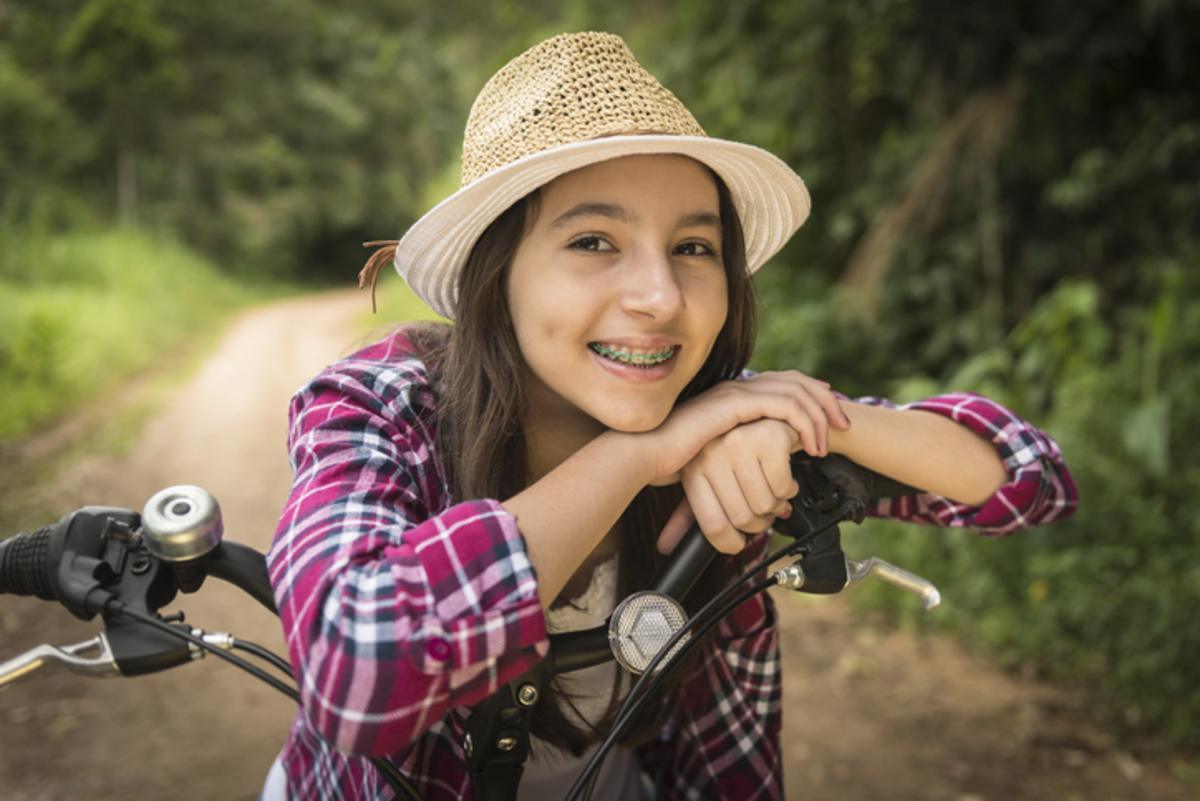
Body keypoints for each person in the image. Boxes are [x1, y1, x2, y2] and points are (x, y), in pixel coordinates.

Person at [264, 32, 1077, 801]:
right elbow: (353, 671)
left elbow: (1027, 477)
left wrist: (802, 420)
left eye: (693, 247)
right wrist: (634, 458)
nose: (660, 296)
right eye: (593, 241)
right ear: (497, 276)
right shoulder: (381, 405)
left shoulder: (723, 417)